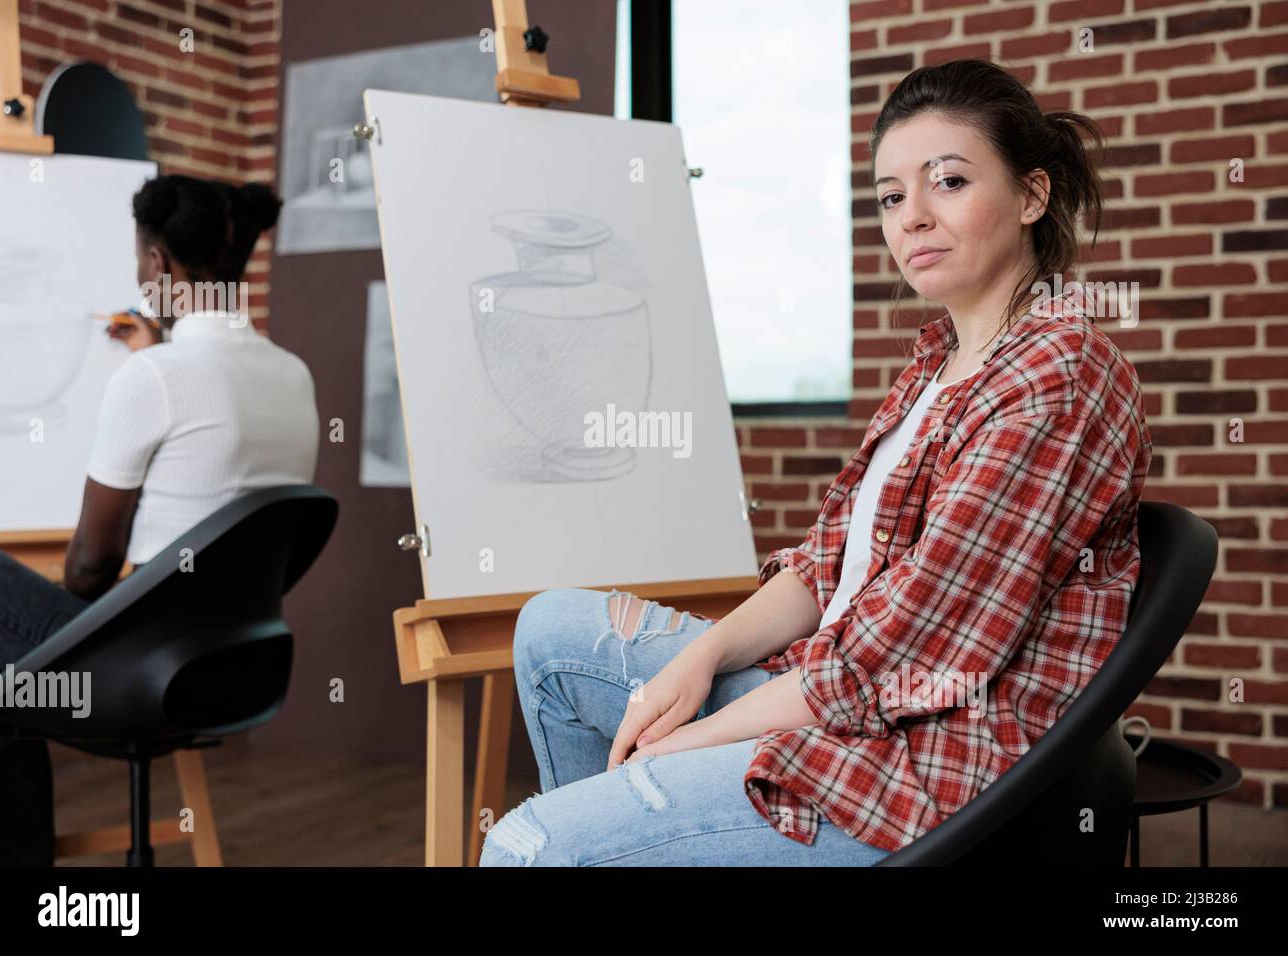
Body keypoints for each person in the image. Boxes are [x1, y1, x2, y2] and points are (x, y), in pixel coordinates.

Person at [480, 59, 1153, 866]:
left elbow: (913, 647)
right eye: (892, 197)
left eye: (948, 181)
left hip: (917, 760)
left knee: (526, 844)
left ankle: (599, 840)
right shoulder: (937, 364)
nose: (913, 218)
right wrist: (700, 660)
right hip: (837, 698)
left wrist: (693, 739)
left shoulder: (1056, 373)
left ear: (1031, 196)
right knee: (551, 631)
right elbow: (827, 563)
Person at [0, 174, 319, 865]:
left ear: (157, 264)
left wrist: (152, 368)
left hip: (138, 676)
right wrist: (156, 353)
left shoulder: (154, 380)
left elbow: (88, 568)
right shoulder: (293, 376)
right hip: (238, 671)